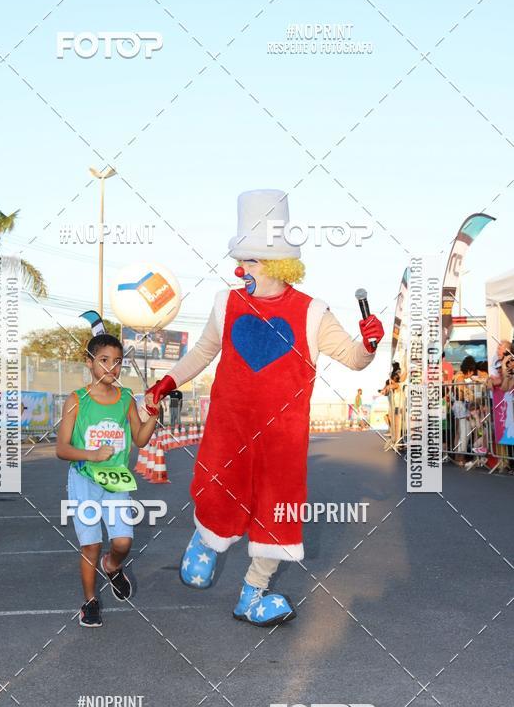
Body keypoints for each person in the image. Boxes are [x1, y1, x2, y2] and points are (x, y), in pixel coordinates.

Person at [144, 189, 384, 627]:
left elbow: (353, 358)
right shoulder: (226, 302)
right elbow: (202, 351)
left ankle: (252, 595)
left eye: (250, 262)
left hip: (282, 442)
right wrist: (169, 379)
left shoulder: (313, 313)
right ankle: (205, 540)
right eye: (241, 261)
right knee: (218, 492)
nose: (240, 269)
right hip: (229, 430)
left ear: (276, 264)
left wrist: (368, 343)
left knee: (279, 514)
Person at [56, 332, 161, 628]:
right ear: (89, 363)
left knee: (124, 542)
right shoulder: (77, 400)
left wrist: (153, 415)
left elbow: (140, 439)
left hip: (116, 481)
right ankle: (90, 602)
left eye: (117, 363)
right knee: (91, 544)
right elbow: (62, 448)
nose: (111, 368)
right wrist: (91, 454)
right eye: (104, 361)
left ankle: (112, 567)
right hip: (84, 481)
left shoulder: (126, 398)